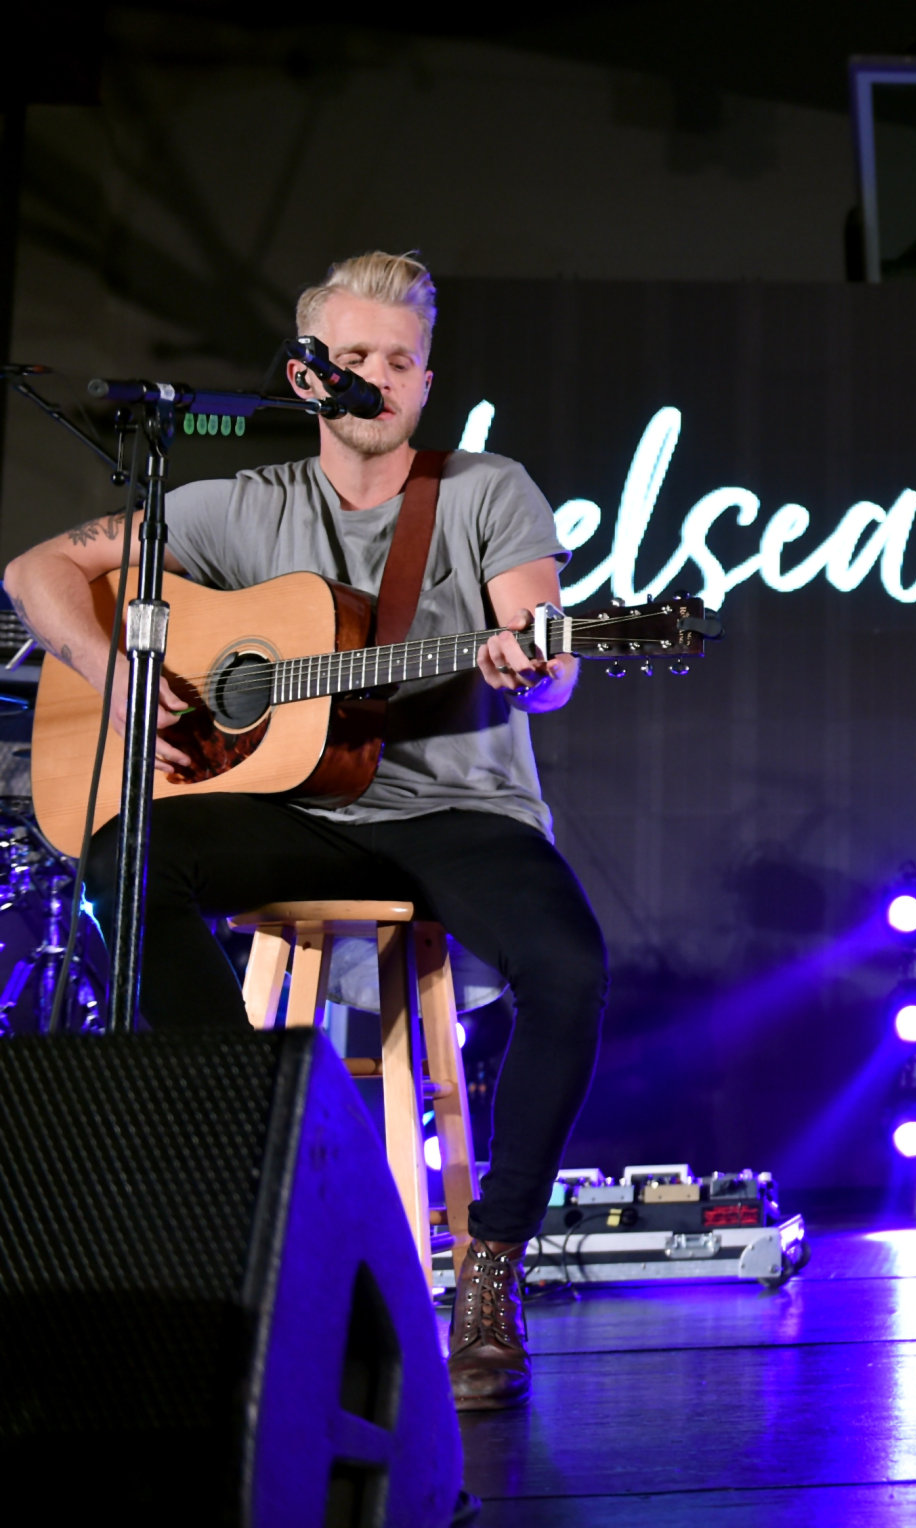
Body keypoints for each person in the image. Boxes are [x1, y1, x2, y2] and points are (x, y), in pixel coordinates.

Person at [3, 251, 606, 1411]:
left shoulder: (485, 490)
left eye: (400, 360)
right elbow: (37, 570)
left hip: (455, 811)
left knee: (571, 969)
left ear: (426, 382)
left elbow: (552, 656)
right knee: (125, 856)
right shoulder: (243, 505)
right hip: (296, 809)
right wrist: (117, 678)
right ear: (308, 371)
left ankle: (491, 1270)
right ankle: (248, 1159)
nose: (378, 377)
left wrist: (532, 663)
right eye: (357, 356)